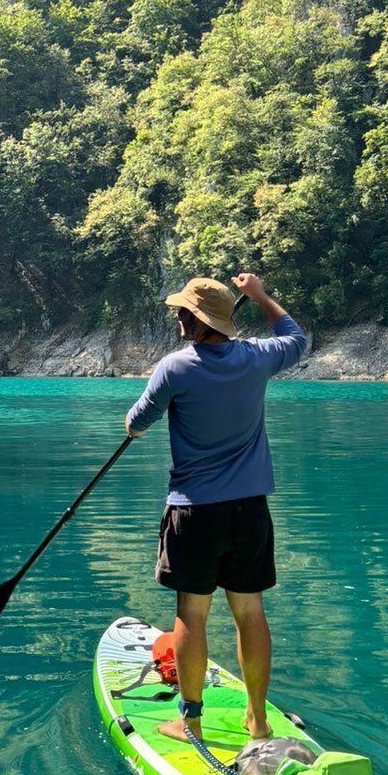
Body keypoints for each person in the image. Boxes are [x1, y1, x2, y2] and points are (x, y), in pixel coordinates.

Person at [124, 272, 307, 743]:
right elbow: (296, 338)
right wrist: (260, 295)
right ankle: (257, 719)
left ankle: (191, 723)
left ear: (195, 319)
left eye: (182, 312)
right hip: (250, 511)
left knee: (192, 613)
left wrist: (135, 422)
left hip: (195, 512)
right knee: (250, 610)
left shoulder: (175, 368)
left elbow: (137, 423)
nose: (177, 318)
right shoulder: (257, 357)